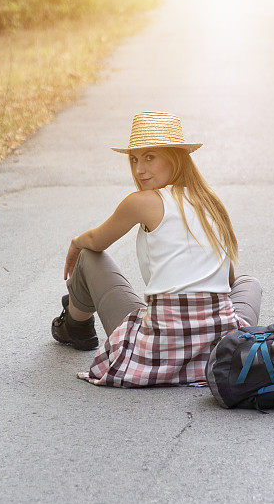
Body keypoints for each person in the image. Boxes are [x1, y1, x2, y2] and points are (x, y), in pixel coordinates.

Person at [51, 111, 262, 387]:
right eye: (134, 159)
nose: (139, 170)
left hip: (157, 350)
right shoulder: (209, 202)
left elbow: (96, 241)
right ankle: (211, 344)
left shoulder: (142, 201)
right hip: (215, 347)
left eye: (149, 157)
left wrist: (76, 242)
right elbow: (229, 279)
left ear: (175, 157)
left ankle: (76, 325)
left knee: (89, 257)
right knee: (250, 283)